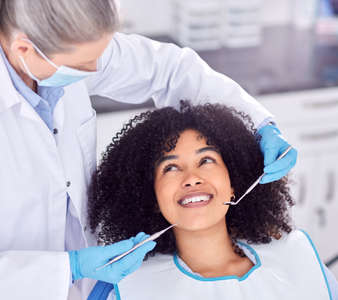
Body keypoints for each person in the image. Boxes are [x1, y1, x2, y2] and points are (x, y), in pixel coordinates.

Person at [0, 0, 297, 299]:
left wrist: (258, 123)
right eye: (84, 65)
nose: (95, 72)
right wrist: (68, 269)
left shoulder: (60, 55)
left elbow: (172, 70)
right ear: (25, 50)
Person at [86, 102, 337, 300]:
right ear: (151, 197)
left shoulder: (301, 262)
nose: (192, 178)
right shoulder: (125, 289)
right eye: (171, 167)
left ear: (234, 184)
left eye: (206, 161)